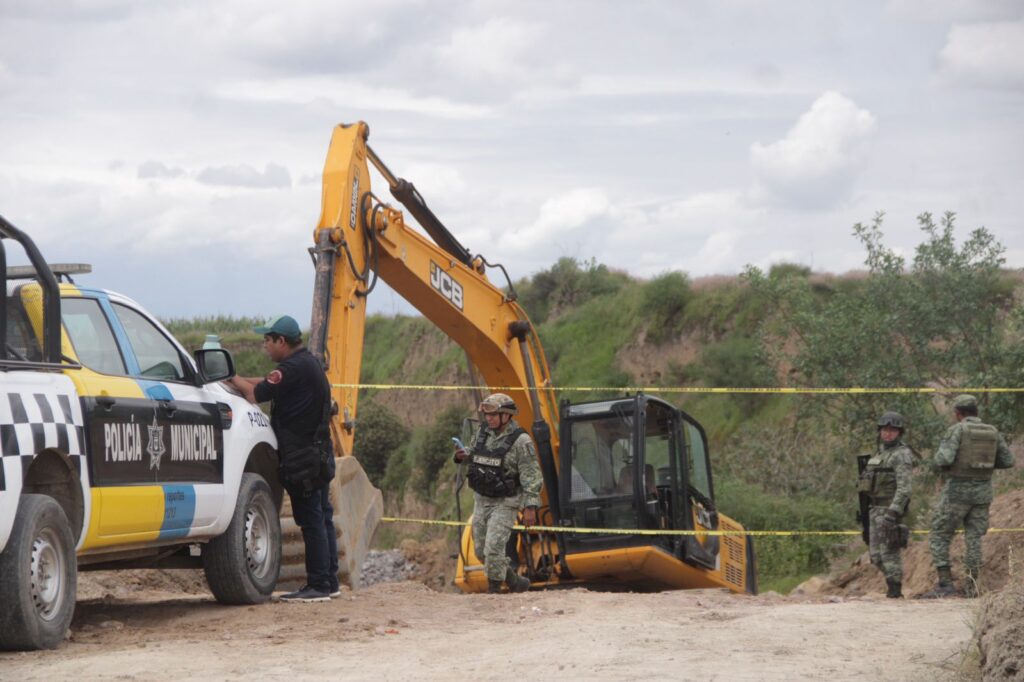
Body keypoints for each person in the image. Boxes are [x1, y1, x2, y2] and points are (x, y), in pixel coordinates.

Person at [229, 315, 339, 603]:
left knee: (311, 519)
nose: (265, 346)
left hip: (302, 457)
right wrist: (240, 381)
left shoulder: (291, 368)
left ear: (281, 341)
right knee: (322, 515)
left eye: (267, 340)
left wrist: (231, 379)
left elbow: (255, 392)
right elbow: (268, 383)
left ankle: (318, 585)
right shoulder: (307, 363)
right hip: (317, 454)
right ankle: (330, 581)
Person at [922, 394, 1014, 598]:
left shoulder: (957, 430)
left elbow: (943, 458)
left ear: (958, 413)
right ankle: (973, 587)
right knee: (974, 538)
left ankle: (945, 584)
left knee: (939, 533)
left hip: (957, 492)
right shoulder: (992, 431)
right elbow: (1008, 461)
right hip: (983, 492)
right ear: (976, 412)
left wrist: (938, 464)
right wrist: (986, 465)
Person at [453, 393, 543, 594]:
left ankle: (494, 590)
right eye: (487, 415)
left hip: (506, 502)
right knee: (481, 551)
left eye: (493, 415)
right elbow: (476, 454)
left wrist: (530, 507)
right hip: (481, 499)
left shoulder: (521, 441)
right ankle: (514, 581)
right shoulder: (483, 431)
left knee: (493, 549)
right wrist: (463, 456)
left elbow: (532, 476)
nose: (489, 419)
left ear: (506, 415)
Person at [858, 411, 915, 598]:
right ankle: (893, 586)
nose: (888, 433)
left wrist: (894, 512)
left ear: (899, 432)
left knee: (889, 553)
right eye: (885, 430)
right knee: (875, 556)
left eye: (892, 430)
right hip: (874, 509)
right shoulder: (881, 453)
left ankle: (895, 591)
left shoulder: (901, 454)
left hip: (888, 509)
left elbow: (905, 488)